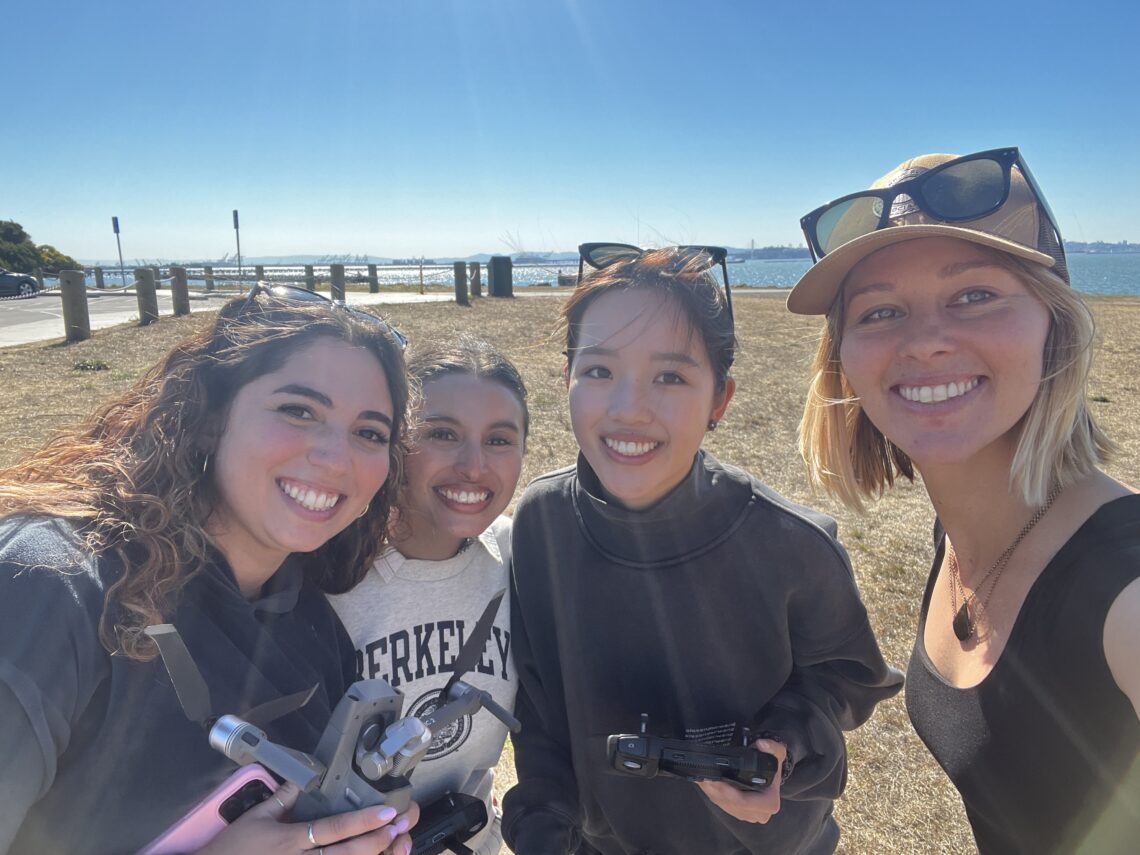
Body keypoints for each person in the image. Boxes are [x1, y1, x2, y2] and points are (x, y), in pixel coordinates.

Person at [793, 147, 1140, 852]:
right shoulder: (956, 536)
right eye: (881, 310)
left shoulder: (1124, 593)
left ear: (1055, 323)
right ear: (843, 358)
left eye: (975, 295)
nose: (925, 342)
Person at [502, 245, 903, 855]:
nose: (628, 408)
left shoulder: (793, 544)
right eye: (599, 371)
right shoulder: (542, 522)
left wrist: (783, 746)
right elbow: (537, 699)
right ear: (568, 381)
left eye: (670, 376)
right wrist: (542, 817)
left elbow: (844, 681)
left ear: (721, 399)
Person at [0, 285, 419, 855]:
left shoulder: (316, 630)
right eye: (299, 410)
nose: (336, 457)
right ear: (206, 418)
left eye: (370, 433)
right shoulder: (50, 585)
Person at [330, 336, 528, 855]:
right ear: (395, 440)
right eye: (442, 433)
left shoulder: (523, 558)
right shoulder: (324, 570)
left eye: (500, 440)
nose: (474, 465)